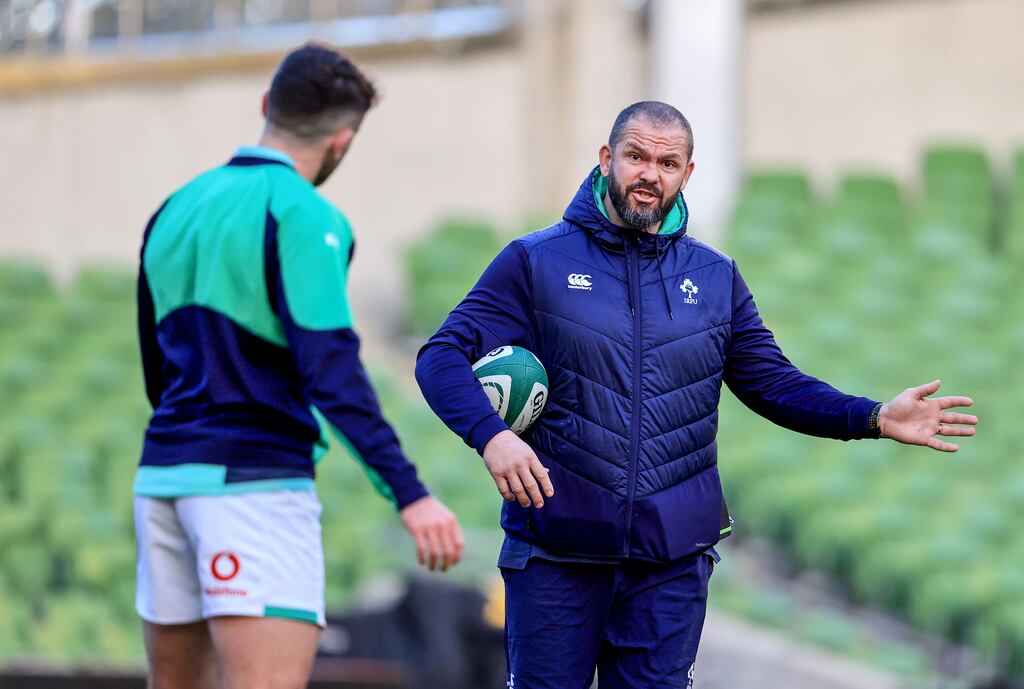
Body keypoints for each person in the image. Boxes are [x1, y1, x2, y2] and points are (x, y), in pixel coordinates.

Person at [414, 101, 978, 689]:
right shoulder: (535, 261)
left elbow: (772, 382)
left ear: (687, 174)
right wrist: (493, 436)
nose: (649, 174)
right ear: (607, 160)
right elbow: (440, 357)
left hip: (672, 561)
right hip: (557, 554)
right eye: (635, 156)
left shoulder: (715, 277)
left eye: (667, 162)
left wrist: (874, 416)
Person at [134, 43, 464, 689]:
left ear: (266, 107)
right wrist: (411, 494)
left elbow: (156, 369)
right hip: (252, 490)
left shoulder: (174, 208)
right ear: (343, 139)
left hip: (163, 482)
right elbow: (331, 371)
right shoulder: (307, 215)